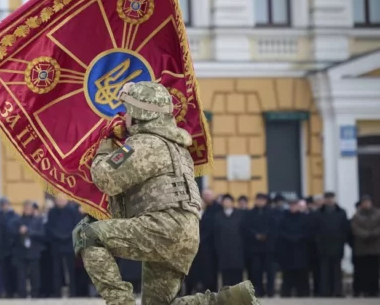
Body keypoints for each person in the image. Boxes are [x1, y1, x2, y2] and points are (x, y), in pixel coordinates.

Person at [72, 81, 257, 305]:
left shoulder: (145, 144)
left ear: (140, 115)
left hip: (162, 227)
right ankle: (227, 301)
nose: (123, 117)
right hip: (184, 232)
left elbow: (105, 178)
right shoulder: (177, 147)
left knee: (86, 235)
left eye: (127, 111)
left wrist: (105, 145)